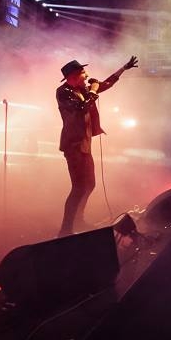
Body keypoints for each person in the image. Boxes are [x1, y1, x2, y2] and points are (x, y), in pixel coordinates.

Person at [56, 55, 137, 236]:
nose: (87, 75)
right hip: (73, 146)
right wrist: (93, 90)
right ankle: (66, 229)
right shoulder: (63, 92)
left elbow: (106, 84)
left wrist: (123, 68)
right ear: (74, 76)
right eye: (83, 72)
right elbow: (81, 108)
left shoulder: (83, 89)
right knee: (78, 188)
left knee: (90, 185)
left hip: (85, 145)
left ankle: (79, 219)